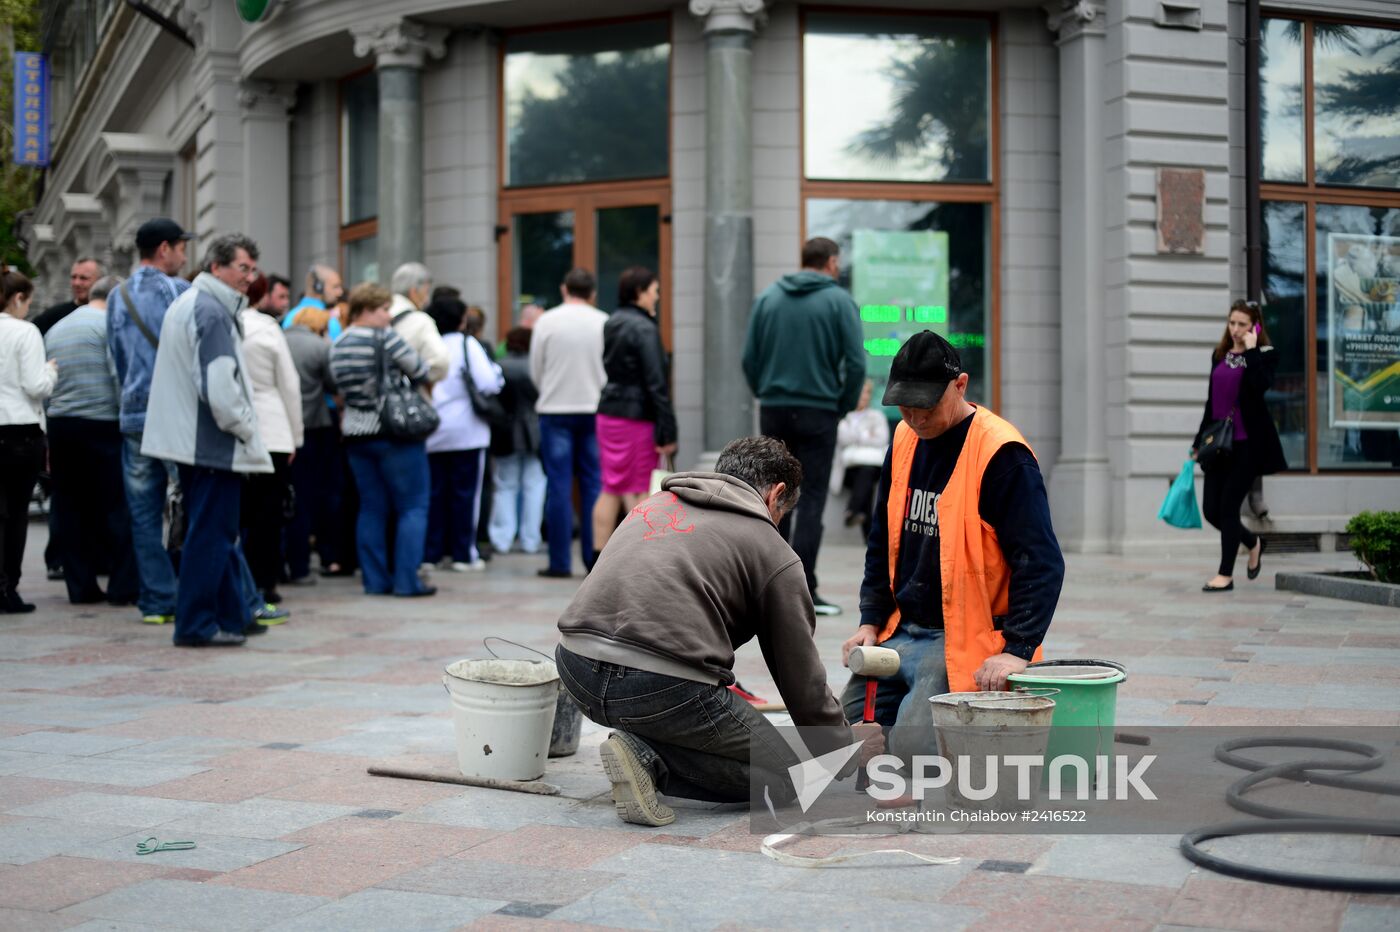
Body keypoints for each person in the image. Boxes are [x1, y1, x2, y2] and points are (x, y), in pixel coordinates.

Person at [555, 436, 876, 827]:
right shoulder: (770, 549)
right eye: (782, 514)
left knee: (697, 717)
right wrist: (842, 750)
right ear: (776, 495)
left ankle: (641, 741)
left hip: (575, 671)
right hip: (661, 686)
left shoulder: (653, 504)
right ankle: (650, 758)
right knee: (800, 778)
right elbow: (801, 681)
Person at [839, 331, 1063, 760]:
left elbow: (1041, 562)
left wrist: (1017, 651)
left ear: (960, 385)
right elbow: (883, 540)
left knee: (910, 754)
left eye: (926, 406)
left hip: (961, 641)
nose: (916, 419)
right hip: (901, 631)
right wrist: (871, 619)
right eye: (905, 408)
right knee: (836, 735)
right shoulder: (903, 440)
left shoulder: (1002, 454)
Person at [142, 234, 272, 648]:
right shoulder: (211, 309)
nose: (249, 278)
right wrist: (248, 428)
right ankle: (197, 624)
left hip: (195, 439)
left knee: (212, 531)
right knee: (211, 534)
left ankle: (232, 615)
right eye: (242, 268)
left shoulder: (197, 302)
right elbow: (220, 387)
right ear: (216, 267)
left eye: (253, 270)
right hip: (209, 441)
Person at [743, 236, 865, 616]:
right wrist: (841, 406)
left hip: (776, 409)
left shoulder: (769, 299)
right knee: (809, 501)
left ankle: (767, 585)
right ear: (830, 262)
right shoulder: (839, 301)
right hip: (819, 411)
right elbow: (856, 364)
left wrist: (766, 391)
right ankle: (803, 588)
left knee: (772, 497)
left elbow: (750, 359)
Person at [107, 217, 193, 626]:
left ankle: (158, 599)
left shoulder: (115, 295)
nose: (184, 255)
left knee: (143, 513)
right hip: (173, 413)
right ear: (164, 249)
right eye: (181, 247)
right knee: (192, 504)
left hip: (133, 412)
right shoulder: (179, 291)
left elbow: (117, 360)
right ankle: (196, 590)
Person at [329, 283, 435, 598]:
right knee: (413, 506)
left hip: (356, 431)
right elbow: (420, 368)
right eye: (384, 309)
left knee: (371, 508)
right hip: (393, 431)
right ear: (368, 309)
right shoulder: (384, 337)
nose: (388, 316)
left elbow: (336, 384)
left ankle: (375, 581)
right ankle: (407, 581)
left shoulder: (339, 342)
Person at [43, 275, 139, 606]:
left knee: (70, 508)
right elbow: (118, 376)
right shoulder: (109, 326)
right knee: (117, 506)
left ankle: (81, 588)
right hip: (103, 424)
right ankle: (122, 586)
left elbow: (47, 382)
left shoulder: (57, 328)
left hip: (61, 426)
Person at [1193, 300, 1287, 592]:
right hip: (1218, 445)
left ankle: (1225, 575)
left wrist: (1252, 349)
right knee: (1211, 510)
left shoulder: (1265, 356)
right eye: (1232, 323)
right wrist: (1198, 441)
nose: (1235, 330)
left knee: (1228, 508)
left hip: (1248, 447)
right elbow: (1212, 403)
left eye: (1242, 324)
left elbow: (1260, 387)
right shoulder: (1219, 355)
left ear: (1254, 326)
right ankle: (1252, 542)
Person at [591, 267, 678, 554]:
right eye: (654, 291)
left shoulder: (612, 322)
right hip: (636, 417)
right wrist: (668, 428)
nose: (656, 297)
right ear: (640, 292)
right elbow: (656, 383)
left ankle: (597, 557)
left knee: (611, 487)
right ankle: (639, 555)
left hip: (608, 413)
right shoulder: (644, 328)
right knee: (641, 490)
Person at [530, 268, 607, 578]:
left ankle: (559, 561)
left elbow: (537, 368)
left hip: (555, 408)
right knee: (593, 484)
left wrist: (548, 390)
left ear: (564, 289)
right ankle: (593, 558)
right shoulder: (603, 320)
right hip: (593, 407)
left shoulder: (547, 321)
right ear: (592, 292)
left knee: (558, 486)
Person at [423, 295, 503, 572]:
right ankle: (462, 553)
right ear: (461, 320)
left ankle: (431, 553)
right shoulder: (468, 345)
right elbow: (489, 383)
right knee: (465, 495)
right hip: (467, 432)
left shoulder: (428, 345)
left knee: (434, 494)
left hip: (432, 431)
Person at [240, 279, 304, 604]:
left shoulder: (226, 323)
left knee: (240, 512)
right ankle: (265, 581)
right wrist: (295, 435)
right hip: (272, 429)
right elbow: (289, 385)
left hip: (236, 429)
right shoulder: (267, 328)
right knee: (268, 514)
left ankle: (241, 578)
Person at [0, 265, 57, 613]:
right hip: (20, 430)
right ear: (19, 297)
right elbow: (36, 386)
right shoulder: (26, 332)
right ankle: (9, 586)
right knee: (16, 513)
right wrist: (51, 371)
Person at [283, 307, 342, 584]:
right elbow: (333, 384)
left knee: (283, 496)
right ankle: (303, 565)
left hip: (279, 427)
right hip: (314, 427)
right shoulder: (319, 346)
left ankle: (283, 562)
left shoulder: (279, 338)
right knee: (309, 496)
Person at [489, 327, 545, 555]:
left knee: (504, 485)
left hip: (505, 431)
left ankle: (502, 538)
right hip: (534, 430)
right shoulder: (537, 367)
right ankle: (531, 539)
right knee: (535, 485)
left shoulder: (498, 366)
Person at [832, 380, 890, 539]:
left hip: (872, 466)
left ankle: (853, 510)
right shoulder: (845, 415)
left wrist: (856, 436)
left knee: (867, 473)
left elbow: (881, 439)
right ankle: (868, 533)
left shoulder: (877, 416)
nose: (862, 396)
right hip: (848, 470)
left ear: (869, 395)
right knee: (866, 482)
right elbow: (843, 438)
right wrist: (867, 434)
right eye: (859, 391)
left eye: (865, 392)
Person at [388, 262, 450, 383]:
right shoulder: (421, 320)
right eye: (426, 292)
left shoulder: (377, 315)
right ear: (414, 292)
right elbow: (441, 362)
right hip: (404, 396)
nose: (427, 300)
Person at [32, 256, 103, 335]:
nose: (76, 283)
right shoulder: (51, 317)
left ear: (99, 281)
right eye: (73, 277)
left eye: (83, 278)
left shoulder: (107, 315)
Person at [281, 264, 345, 338]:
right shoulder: (329, 321)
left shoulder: (290, 316)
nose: (340, 292)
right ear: (318, 287)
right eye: (335, 287)